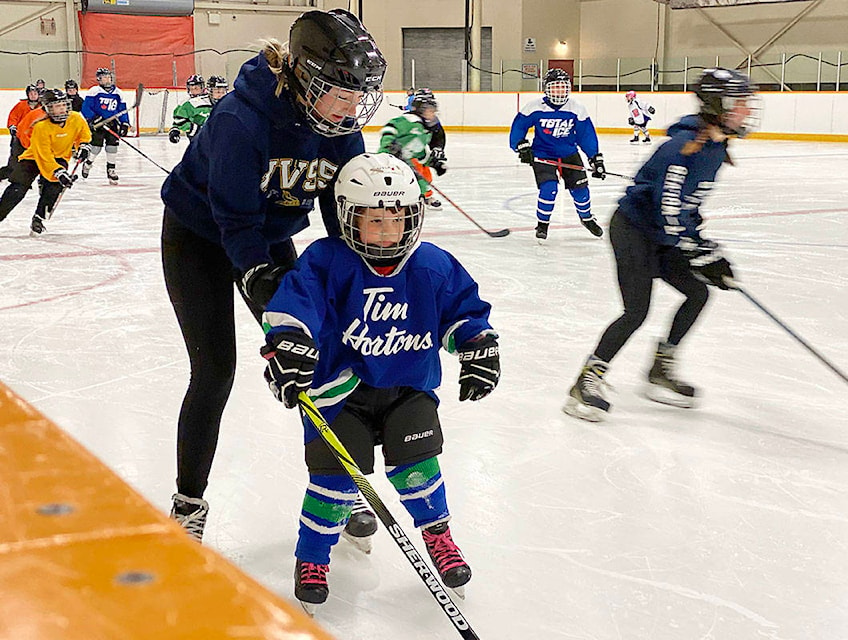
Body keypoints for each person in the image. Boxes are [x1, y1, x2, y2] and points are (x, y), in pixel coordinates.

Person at [159, 9, 387, 544]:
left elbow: (339, 213)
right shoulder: (243, 119)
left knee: (322, 356)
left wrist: (349, 278)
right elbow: (234, 220)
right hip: (199, 236)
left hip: (265, 229)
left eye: (360, 95)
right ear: (306, 78)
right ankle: (188, 499)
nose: (353, 108)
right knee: (215, 371)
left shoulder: (340, 131)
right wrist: (262, 279)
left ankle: (339, 484)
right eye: (341, 93)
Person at [258, 152, 499, 613]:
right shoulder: (328, 261)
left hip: (408, 387)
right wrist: (288, 343)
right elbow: (295, 308)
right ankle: (311, 557)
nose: (390, 232)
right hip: (337, 397)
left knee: (419, 469)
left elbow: (463, 312)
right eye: (375, 221)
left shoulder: (431, 264)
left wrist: (477, 344)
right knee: (335, 482)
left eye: (399, 218)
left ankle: (439, 537)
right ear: (349, 219)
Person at [564, 68, 758, 421]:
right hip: (634, 231)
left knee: (698, 293)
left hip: (662, 235)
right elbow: (667, 211)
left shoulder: (713, 148)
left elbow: (687, 209)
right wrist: (698, 252)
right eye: (740, 102)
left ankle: (660, 368)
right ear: (719, 105)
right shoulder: (680, 150)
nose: (747, 110)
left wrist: (706, 250)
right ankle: (588, 379)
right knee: (636, 311)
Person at [509, 68, 605, 242]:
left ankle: (587, 218)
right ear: (547, 88)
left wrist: (595, 158)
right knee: (549, 189)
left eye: (563, 87)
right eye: (555, 87)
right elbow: (519, 127)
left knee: (581, 191)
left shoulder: (577, 108)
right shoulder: (534, 107)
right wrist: (521, 146)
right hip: (543, 154)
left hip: (569, 153)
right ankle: (542, 224)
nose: (559, 91)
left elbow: (586, 135)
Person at [0, 89, 92, 235]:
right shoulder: (41, 126)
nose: (62, 108)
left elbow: (84, 134)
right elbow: (44, 155)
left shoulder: (76, 118)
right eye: (57, 106)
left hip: (59, 157)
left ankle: (38, 218)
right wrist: (57, 171)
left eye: (64, 104)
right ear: (48, 108)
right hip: (33, 156)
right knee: (18, 187)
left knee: (55, 186)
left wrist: (83, 146)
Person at [378, 88, 446, 209]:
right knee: (387, 184)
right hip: (386, 161)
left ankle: (423, 198)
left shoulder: (425, 131)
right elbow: (389, 128)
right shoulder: (409, 120)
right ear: (421, 110)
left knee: (420, 179)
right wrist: (389, 145)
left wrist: (434, 164)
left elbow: (419, 153)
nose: (433, 114)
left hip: (405, 162)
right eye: (430, 110)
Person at [80, 67, 129, 183]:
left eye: (109, 77)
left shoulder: (118, 93)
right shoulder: (94, 91)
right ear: (99, 79)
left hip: (112, 124)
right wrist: (94, 118)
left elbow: (122, 110)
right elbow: (85, 107)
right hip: (98, 124)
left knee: (112, 146)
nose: (107, 79)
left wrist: (125, 123)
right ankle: (88, 163)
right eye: (104, 77)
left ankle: (111, 170)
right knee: (96, 147)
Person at [168, 75, 228, 143]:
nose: (221, 95)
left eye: (223, 92)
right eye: (217, 92)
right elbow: (179, 119)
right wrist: (195, 130)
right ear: (210, 91)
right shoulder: (194, 103)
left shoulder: (230, 104)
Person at [1, 85, 41, 181]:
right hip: (19, 138)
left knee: (30, 162)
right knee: (14, 161)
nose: (33, 95)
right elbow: (13, 117)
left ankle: (21, 180)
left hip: (34, 139)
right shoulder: (21, 105)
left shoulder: (42, 107)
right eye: (31, 93)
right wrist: (12, 126)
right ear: (27, 94)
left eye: (35, 93)